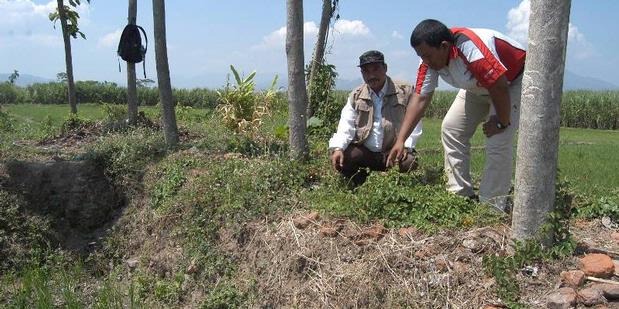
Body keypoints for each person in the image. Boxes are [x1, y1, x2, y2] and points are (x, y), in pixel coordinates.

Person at [388, 19, 526, 210]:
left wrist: (502, 122)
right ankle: (460, 196)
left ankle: (491, 206)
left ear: (444, 46)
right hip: (478, 87)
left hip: (510, 84)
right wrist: (400, 140)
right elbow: (420, 98)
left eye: (428, 56)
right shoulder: (428, 59)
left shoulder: (472, 50)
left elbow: (499, 86)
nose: (425, 61)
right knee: (451, 128)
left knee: (498, 141)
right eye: (421, 56)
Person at [329, 50, 423, 185]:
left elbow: (415, 121)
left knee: (409, 162)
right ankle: (360, 184)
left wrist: (406, 146)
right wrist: (338, 148)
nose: (371, 75)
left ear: (385, 68)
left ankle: (396, 186)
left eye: (375, 69)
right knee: (345, 156)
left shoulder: (405, 91)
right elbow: (346, 126)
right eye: (366, 71)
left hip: (394, 150)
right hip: (367, 153)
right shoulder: (356, 96)